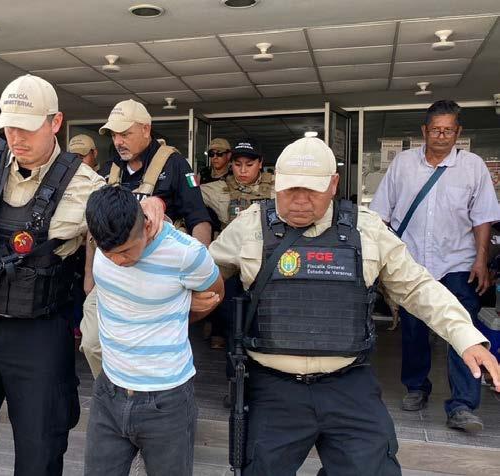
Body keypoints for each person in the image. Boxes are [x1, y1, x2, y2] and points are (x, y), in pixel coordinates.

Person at [209, 136, 500, 475]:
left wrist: (466, 337)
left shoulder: (367, 228)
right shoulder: (250, 225)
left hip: (348, 384)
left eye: (311, 190)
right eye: (289, 190)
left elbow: (417, 287)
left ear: (333, 184)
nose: (299, 200)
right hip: (273, 389)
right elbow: (201, 273)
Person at [0, 74, 125, 476]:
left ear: (55, 122)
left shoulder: (86, 184)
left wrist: (150, 209)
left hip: (40, 332)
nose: (16, 138)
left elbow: (128, 235)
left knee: (40, 449)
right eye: (9, 127)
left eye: (27, 128)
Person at [370, 99, 500, 432]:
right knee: (414, 330)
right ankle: (416, 387)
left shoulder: (472, 167)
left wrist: (481, 260)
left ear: (458, 132)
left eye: (448, 131)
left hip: (457, 262)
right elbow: (381, 215)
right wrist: (381, 262)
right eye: (436, 130)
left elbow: (483, 218)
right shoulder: (403, 164)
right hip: (411, 262)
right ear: (424, 131)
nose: (442, 136)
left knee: (463, 328)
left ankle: (462, 405)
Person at [83, 186, 223, 476]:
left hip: (166, 400)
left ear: (146, 227)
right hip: (109, 391)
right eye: (110, 254)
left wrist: (178, 311)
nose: (119, 261)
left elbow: (214, 295)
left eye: (126, 251)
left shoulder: (186, 253)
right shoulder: (103, 233)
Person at [80, 98, 212, 378]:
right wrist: (89, 275)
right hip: (111, 272)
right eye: (114, 135)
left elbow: (199, 220)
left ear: (146, 129)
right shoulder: (108, 171)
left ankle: (144, 394)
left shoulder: (175, 165)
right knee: (92, 343)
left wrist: (197, 272)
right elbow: (94, 228)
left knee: (151, 349)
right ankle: (112, 390)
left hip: (158, 276)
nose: (118, 141)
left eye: (125, 133)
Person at [201, 140, 274, 352]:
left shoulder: (277, 189)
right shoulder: (218, 189)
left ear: (260, 163)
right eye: (237, 164)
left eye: (249, 165)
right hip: (232, 259)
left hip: (265, 259)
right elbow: (187, 193)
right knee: (229, 310)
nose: (242, 170)